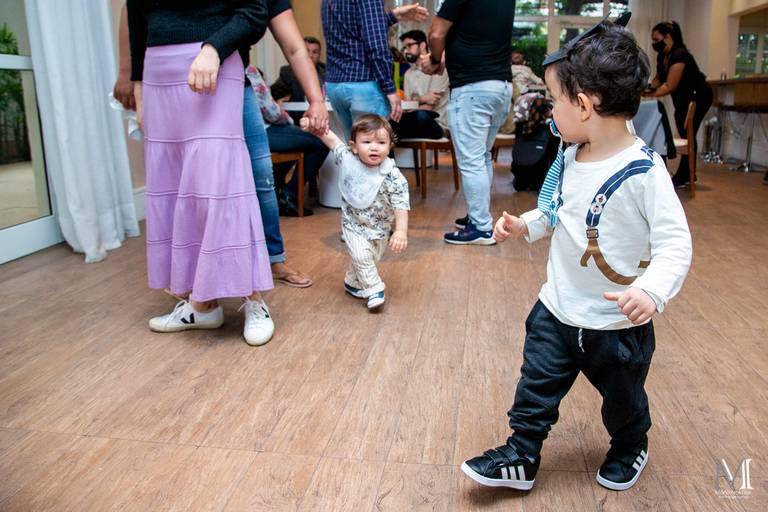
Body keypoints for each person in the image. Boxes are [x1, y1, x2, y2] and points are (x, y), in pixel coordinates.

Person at [460, 19, 692, 492]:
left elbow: (675, 243)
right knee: (535, 388)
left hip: (615, 324)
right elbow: (556, 211)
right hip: (558, 307)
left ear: (585, 105)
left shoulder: (644, 172)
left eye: (554, 100)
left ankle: (630, 445)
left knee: (622, 400)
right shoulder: (569, 157)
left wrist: (651, 290)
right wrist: (526, 224)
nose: (550, 111)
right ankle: (522, 452)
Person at [127, 0, 277, 345]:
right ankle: (203, 304)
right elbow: (137, 13)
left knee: (222, 182)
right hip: (157, 70)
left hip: (214, 62)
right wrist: (138, 86)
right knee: (176, 182)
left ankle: (253, 297)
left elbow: (255, 10)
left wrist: (215, 47)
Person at [421, 0, 514, 245]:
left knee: (472, 160)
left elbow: (437, 33)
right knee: (481, 156)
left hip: (472, 87)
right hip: (501, 86)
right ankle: (477, 216)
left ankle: (481, 228)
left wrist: (434, 58)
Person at [302, 114, 409, 310]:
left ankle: (352, 282)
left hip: (380, 229)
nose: (374, 147)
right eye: (367, 142)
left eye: (381, 142)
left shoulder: (393, 176)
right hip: (353, 224)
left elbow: (401, 204)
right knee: (361, 256)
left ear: (390, 146)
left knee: (370, 259)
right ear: (354, 146)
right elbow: (332, 140)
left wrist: (400, 231)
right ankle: (375, 289)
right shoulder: (348, 159)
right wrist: (314, 126)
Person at [320, 0, 428, 139]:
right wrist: (390, 89)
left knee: (354, 148)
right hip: (362, 83)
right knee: (374, 151)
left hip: (335, 84)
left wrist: (393, 16)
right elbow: (376, 44)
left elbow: (351, 29)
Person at [246, 66, 329, 217]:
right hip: (262, 131)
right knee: (321, 143)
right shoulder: (249, 70)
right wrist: (289, 120)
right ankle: (289, 195)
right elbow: (270, 110)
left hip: (238, 136)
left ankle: (278, 192)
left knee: (293, 144)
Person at [644, 21, 713, 188]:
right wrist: (646, 88)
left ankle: (686, 175)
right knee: (685, 132)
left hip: (699, 97)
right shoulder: (664, 56)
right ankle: (686, 174)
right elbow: (658, 80)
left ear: (668, 37)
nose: (655, 43)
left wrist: (645, 95)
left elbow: (669, 86)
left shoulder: (680, 55)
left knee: (688, 132)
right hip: (682, 100)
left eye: (656, 39)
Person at [390, 29, 449, 140]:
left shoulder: (439, 69)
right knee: (386, 122)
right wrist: (422, 99)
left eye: (409, 46)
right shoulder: (408, 73)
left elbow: (429, 107)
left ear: (422, 45)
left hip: (436, 123)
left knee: (421, 115)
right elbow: (405, 106)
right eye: (404, 48)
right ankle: (389, 156)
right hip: (413, 121)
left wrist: (412, 103)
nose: (406, 51)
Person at [270, 36, 326, 123]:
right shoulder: (288, 72)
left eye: (315, 52)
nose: (310, 55)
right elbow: (274, 93)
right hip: (296, 118)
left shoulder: (326, 71)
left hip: (321, 117)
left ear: (319, 55)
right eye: (307, 51)